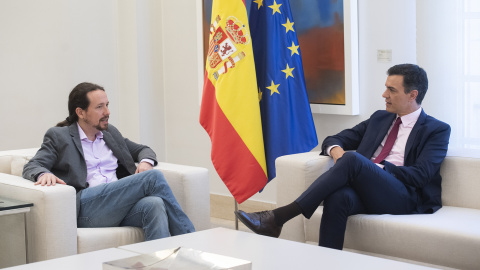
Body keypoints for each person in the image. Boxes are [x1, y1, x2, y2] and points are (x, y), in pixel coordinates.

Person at [235, 64, 451, 249]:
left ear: (412, 95)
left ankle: (278, 217)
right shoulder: (380, 119)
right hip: (369, 190)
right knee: (338, 197)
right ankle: (328, 263)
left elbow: (421, 175)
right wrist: (338, 152)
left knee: (354, 160)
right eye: (385, 88)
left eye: (391, 90)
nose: (384, 94)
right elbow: (334, 139)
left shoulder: (436, 130)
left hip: (404, 196)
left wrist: (377, 169)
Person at [23, 82, 195, 240]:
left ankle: (160, 263)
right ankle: (190, 240)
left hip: (115, 205)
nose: (107, 112)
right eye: (99, 107)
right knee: (153, 178)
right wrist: (43, 173)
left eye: (107, 105)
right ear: (80, 112)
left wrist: (145, 162)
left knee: (154, 204)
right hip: (87, 208)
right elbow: (33, 165)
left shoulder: (110, 133)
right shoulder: (60, 136)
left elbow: (143, 150)